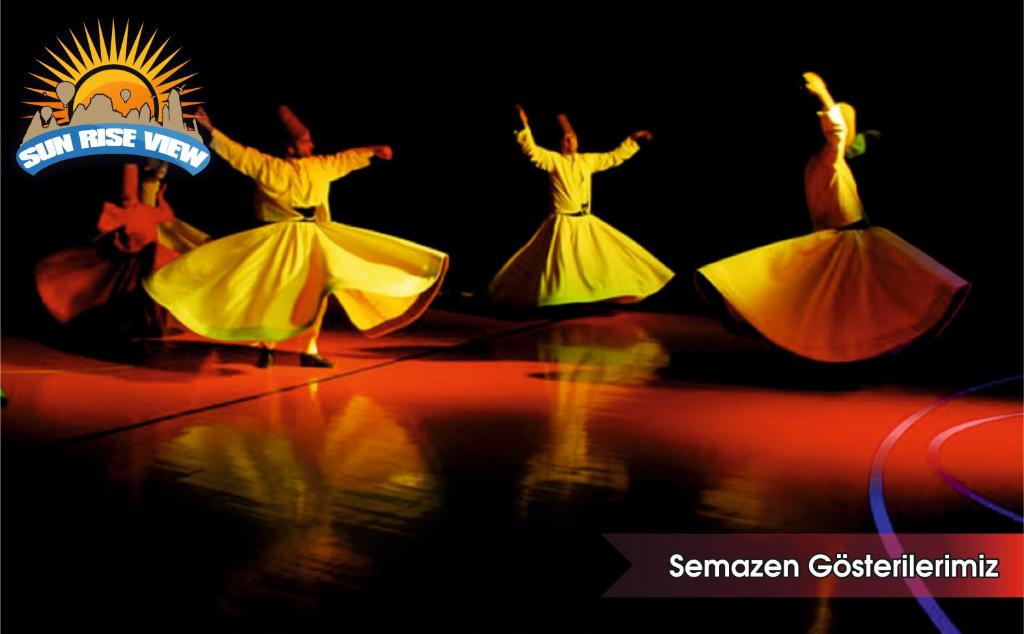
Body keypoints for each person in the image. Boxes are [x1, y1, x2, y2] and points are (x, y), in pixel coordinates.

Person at [144, 106, 449, 368]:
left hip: (312, 239)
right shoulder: (271, 166)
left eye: (310, 140)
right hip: (278, 239)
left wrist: (373, 150)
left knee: (316, 293)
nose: (311, 144)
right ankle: (267, 346)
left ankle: (308, 349)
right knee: (273, 292)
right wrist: (211, 131)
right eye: (305, 141)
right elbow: (236, 154)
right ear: (291, 148)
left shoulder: (318, 166)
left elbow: (346, 159)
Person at [695, 72, 969, 362]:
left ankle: (853, 351)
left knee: (854, 303)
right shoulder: (827, 159)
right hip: (846, 242)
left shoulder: (819, 162)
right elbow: (836, 132)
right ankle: (851, 351)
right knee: (867, 300)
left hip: (842, 239)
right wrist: (823, 93)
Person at [488, 105, 674, 306]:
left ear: (577, 140)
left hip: (585, 221)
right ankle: (558, 298)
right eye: (565, 139)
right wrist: (525, 126)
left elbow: (613, 157)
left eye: (571, 138)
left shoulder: (587, 161)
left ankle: (602, 293)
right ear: (561, 143)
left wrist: (632, 140)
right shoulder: (554, 161)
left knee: (604, 256)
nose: (568, 141)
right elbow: (532, 151)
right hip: (563, 223)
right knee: (561, 264)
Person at [35, 160, 208, 339]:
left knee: (150, 278)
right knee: (140, 279)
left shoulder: (145, 205)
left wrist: (155, 201)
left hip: (146, 238)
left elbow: (156, 201)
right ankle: (138, 321)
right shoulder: (130, 205)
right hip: (137, 240)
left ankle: (147, 320)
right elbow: (130, 198)